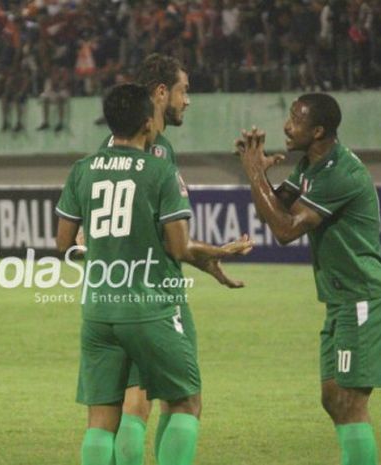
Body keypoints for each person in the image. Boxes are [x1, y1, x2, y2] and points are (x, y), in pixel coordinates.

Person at [56, 83, 253, 465]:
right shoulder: (160, 171)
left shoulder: (82, 169)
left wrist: (102, 251)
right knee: (185, 402)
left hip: (98, 310)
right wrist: (217, 252)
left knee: (100, 420)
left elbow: (65, 245)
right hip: (150, 309)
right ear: (148, 123)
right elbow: (179, 248)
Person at [236, 93, 381, 465]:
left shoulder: (341, 171)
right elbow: (278, 204)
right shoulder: (312, 167)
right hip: (342, 298)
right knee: (332, 397)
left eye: (295, 119)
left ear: (318, 131)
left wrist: (252, 173)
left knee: (349, 401)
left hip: (366, 297)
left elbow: (284, 229)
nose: (286, 125)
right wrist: (259, 174)